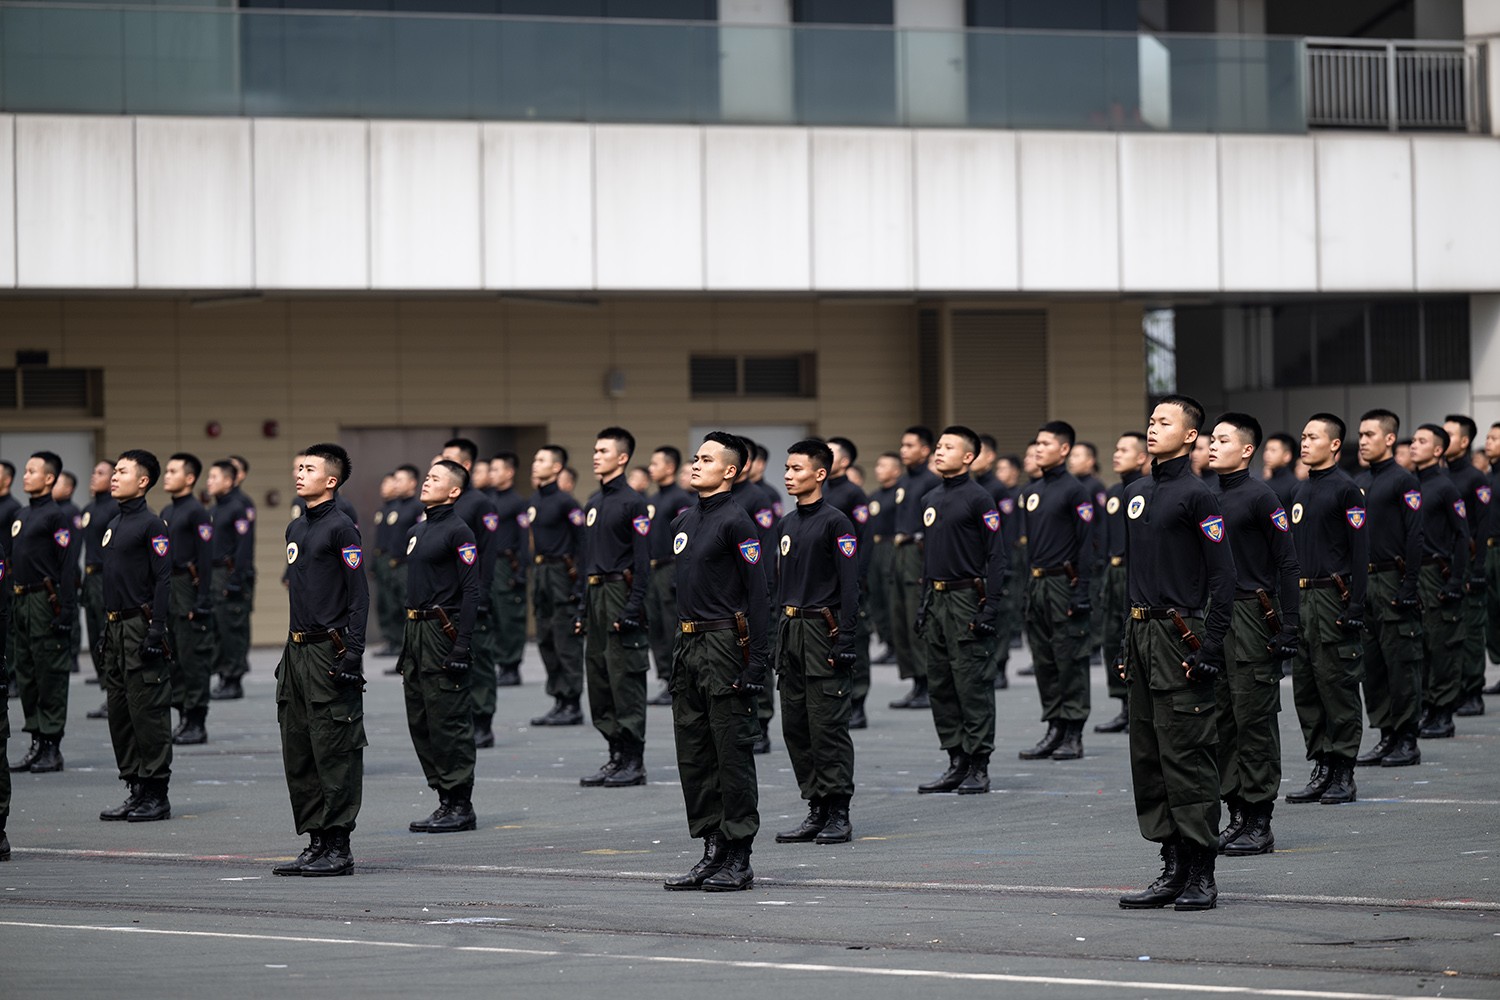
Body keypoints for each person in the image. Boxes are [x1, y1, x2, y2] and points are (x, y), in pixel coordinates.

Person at [1117, 395, 1234, 912]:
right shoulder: (1136, 492)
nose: (1152, 427)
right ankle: (1171, 865)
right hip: (1141, 634)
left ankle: (1201, 870)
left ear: (1190, 436)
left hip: (1179, 631)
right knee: (1149, 755)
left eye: (1164, 422)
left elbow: (1223, 576)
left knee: (1187, 753)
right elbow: (1134, 578)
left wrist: (1211, 645)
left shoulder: (1199, 496)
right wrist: (1127, 643)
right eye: (1150, 420)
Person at [664, 432, 769, 892]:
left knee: (731, 751)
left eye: (706, 458)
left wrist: (756, 664)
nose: (695, 463)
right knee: (695, 752)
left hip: (725, 642)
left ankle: (739, 855)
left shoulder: (737, 522)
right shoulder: (685, 520)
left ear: (730, 470)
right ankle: (711, 848)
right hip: (687, 645)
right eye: (695, 456)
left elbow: (760, 596)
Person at [1206, 414, 1300, 856]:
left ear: (1246, 449)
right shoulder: (1204, 496)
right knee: (1222, 719)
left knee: (1254, 721)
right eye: (1210, 438)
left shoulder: (1262, 497)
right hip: (1214, 615)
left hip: (1251, 613)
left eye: (1222, 439)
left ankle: (1259, 819)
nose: (1212, 445)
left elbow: (1287, 563)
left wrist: (1291, 625)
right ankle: (1237, 812)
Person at [273, 444, 368, 877]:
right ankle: (314, 842)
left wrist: (354, 653)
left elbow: (359, 596)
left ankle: (339, 845)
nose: (300, 474)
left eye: (309, 469)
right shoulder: (295, 528)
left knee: (334, 747)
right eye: (298, 468)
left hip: (330, 651)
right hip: (296, 651)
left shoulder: (342, 528)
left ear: (330, 480)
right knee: (300, 747)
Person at [913, 427, 1009, 796]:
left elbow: (997, 555)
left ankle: (979, 764)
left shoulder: (979, 498)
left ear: (968, 457)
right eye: (938, 446)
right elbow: (928, 559)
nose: (939, 452)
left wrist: (991, 608)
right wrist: (923, 604)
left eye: (949, 447)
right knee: (940, 683)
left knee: (972, 683)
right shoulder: (930, 498)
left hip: (967, 597)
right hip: (936, 599)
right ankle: (956, 760)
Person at [772, 439, 859, 843]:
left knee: (827, 725)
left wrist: (846, 641)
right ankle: (815, 807)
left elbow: (850, 585)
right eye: (787, 469)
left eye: (797, 469)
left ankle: (838, 811)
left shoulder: (836, 522)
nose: (788, 476)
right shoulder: (787, 524)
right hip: (791, 632)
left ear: (820, 474)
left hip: (823, 631)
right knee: (796, 726)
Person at [1284, 413, 1367, 806]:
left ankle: (1344, 771)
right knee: (1307, 686)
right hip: (1301, 598)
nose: (1304, 442)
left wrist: (1356, 605)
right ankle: (1321, 765)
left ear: (1334, 444)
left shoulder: (1347, 490)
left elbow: (1360, 551)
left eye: (1312, 437)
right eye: (1302, 436)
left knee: (1338, 683)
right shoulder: (1301, 491)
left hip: (1333, 597)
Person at [401, 460, 482, 833]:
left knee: (448, 719)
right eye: (426, 475)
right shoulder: (418, 529)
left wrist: (461, 646)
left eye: (435, 477)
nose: (426, 480)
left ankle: (460, 803)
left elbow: (471, 590)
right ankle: (442, 798)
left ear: (454, 491)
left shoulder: (458, 531)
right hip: (415, 632)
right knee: (421, 718)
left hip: (442, 630)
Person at [97, 449, 174, 822]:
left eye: (122, 471)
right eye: (114, 471)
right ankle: (135, 787)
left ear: (143, 481)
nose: (114, 476)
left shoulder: (152, 525)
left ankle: (156, 793)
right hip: (114, 627)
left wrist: (156, 630)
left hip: (140, 625)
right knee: (121, 711)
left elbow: (163, 579)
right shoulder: (113, 521)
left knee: (148, 711)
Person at [577, 427, 653, 787]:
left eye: (603, 450)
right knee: (600, 679)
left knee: (625, 678)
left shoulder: (633, 502)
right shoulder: (593, 502)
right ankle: (615, 754)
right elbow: (587, 560)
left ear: (622, 458)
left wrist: (633, 607)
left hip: (619, 595)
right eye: (594, 450)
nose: (595, 456)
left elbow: (642, 562)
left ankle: (633, 760)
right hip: (595, 597)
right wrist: (582, 610)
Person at [1352, 410, 1425, 769]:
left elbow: (1415, 535)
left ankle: (1407, 738)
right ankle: (1385, 735)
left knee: (1401, 661)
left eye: (1369, 434)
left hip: (1393, 578)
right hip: (1364, 582)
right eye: (1360, 435)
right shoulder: (1360, 481)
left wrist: (1411, 583)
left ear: (1390, 438)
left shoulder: (1404, 481)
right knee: (1373, 663)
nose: (1362, 440)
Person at [1019, 421, 1094, 760]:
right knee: (1044, 659)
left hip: (1065, 582)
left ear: (1064, 449)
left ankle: (1074, 732)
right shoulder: (1032, 490)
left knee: (1070, 658)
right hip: (1037, 583)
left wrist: (1082, 592)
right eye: (1036, 442)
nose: (1038, 447)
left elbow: (1087, 544)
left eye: (1046, 442)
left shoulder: (1075, 490)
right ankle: (1054, 727)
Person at [6, 451, 78, 774]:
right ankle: (36, 739)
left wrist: (66, 613)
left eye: (32, 470)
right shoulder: (21, 513)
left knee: (49, 671)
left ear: (49, 478)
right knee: (27, 671)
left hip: (44, 600)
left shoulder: (56, 516)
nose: (25, 475)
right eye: (25, 470)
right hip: (20, 601)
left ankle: (52, 745)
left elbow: (66, 567)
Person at [1409, 424, 1470, 740]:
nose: (1414, 445)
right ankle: (1427, 708)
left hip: (1438, 571)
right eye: (1414, 440)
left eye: (1422, 441)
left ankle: (1443, 713)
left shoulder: (1445, 487)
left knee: (1442, 643)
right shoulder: (1410, 485)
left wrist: (1457, 580)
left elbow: (1462, 537)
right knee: (1419, 645)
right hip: (1413, 572)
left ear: (1437, 450)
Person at [439, 439, 502, 745]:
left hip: (471, 594)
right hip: (446, 598)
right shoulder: (443, 505)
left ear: (464, 465)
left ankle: (483, 721)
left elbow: (488, 556)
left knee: (479, 659)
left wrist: (483, 595)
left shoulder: (480, 504)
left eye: (448, 460)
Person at [160, 453, 217, 746]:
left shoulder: (196, 511)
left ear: (190, 478)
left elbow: (206, 560)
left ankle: (197, 721)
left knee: (193, 658)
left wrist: (203, 600)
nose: (166, 475)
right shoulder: (167, 512)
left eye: (173, 471)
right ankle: (183, 715)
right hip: (170, 588)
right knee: (176, 659)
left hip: (188, 587)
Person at [528, 444, 586, 726]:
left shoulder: (566, 503)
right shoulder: (535, 501)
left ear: (556, 467)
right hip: (542, 573)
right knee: (546, 637)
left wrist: (579, 587)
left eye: (541, 460)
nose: (535, 464)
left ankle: (572, 702)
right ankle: (559, 698)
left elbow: (582, 544)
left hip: (562, 573)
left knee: (565, 640)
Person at [1097, 432, 1148, 733]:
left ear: (1142, 457)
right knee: (1111, 637)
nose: (1116, 454)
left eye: (1124, 449)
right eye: (1115, 449)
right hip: (1114, 571)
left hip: (1136, 570)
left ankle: (1139, 705)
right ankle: (1122, 704)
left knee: (1134, 638)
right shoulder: (1114, 491)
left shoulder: (1145, 489)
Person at [888, 427, 939, 709]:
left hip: (918, 554)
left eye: (910, 445)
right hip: (900, 555)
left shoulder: (931, 482)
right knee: (901, 621)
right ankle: (916, 682)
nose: (904, 450)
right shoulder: (904, 481)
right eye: (902, 445)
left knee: (917, 619)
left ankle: (928, 683)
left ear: (925, 450)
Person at [822, 436, 872, 728]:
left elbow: (863, 541)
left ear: (844, 461)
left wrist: (858, 578)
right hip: (824, 581)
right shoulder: (819, 490)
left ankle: (859, 703)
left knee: (854, 640)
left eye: (830, 453)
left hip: (848, 578)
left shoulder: (854, 494)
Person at [1442, 415, 1488, 717]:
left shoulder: (1475, 478)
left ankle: (1473, 691)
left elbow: (1482, 529)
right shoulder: (1438, 477)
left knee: (1471, 629)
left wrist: (1479, 569)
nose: (1443, 440)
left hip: (1468, 563)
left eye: (1449, 435)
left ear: (1464, 441)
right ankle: (1453, 688)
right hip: (1444, 566)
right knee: (1448, 630)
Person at [645, 446, 693, 706]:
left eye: (655, 463)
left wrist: (680, 572)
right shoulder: (653, 499)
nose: (651, 468)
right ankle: (666, 678)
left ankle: (678, 680)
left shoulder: (680, 499)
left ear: (670, 468)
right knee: (655, 626)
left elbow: (685, 539)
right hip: (653, 569)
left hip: (670, 567)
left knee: (670, 624)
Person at [972, 435, 1018, 692]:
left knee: (999, 615)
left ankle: (1000, 666)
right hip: (977, 563)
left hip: (996, 560)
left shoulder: (998, 489)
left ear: (990, 457)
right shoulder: (974, 486)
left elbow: (1007, 530)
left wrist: (1004, 563)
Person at [207, 460, 255, 701]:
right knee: (218, 626)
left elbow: (244, 547)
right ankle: (223, 675)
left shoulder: (239, 506)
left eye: (214, 477)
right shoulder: (215, 510)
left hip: (230, 572)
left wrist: (236, 579)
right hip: (214, 574)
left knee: (232, 626)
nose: (209, 482)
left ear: (229, 480)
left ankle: (234, 678)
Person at [486, 453, 529, 693]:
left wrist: (522, 570)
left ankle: (511, 666)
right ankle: (498, 662)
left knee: (509, 616)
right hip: (490, 564)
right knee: (492, 614)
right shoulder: (488, 500)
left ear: (509, 472)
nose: (492, 473)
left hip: (507, 563)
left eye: (496, 469)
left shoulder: (517, 502)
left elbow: (524, 540)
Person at [80, 460, 117, 716]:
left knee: (108, 638)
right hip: (90, 576)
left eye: (101, 473)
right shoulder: (89, 508)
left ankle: (116, 694)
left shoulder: (115, 508)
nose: (94, 476)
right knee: (95, 638)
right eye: (94, 472)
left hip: (107, 577)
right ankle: (107, 691)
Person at [379, 466, 424, 673]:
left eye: (400, 480)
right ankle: (399, 649)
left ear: (413, 483)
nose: (395, 484)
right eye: (394, 480)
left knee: (409, 611)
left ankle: (413, 653)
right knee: (393, 607)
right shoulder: (394, 507)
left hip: (407, 565)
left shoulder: (417, 507)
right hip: (392, 565)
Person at [864, 452, 901, 663]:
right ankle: (887, 643)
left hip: (891, 546)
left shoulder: (899, 494)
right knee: (876, 597)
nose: (878, 469)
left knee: (890, 598)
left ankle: (897, 646)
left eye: (883, 465)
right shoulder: (874, 496)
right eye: (877, 465)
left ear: (896, 470)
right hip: (875, 548)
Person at [1262, 433, 1299, 510]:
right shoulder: (1264, 482)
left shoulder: (1294, 486)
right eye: (1266, 449)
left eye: (1273, 450)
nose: (1267, 454)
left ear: (1287, 456)